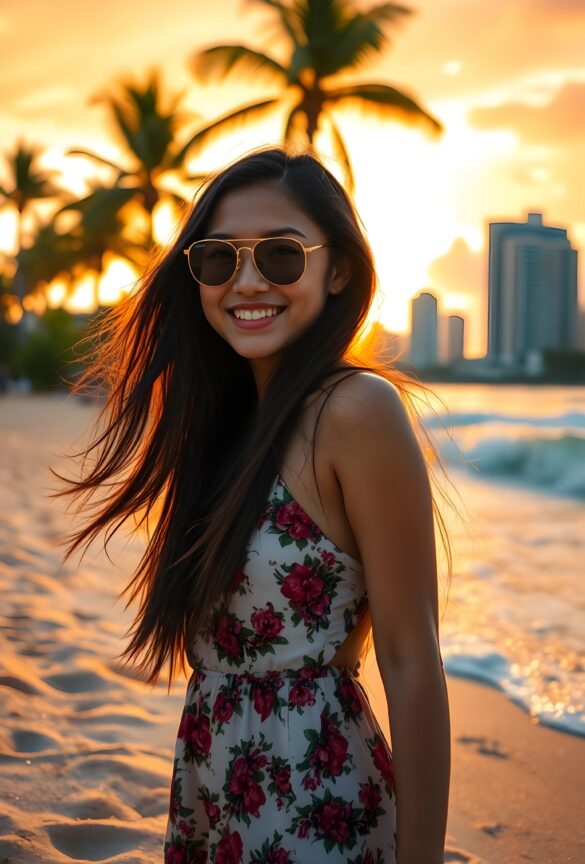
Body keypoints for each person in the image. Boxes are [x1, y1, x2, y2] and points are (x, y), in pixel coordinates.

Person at [56, 147, 452, 864]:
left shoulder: (356, 409)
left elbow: (409, 651)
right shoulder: (227, 425)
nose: (245, 281)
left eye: (278, 255)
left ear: (337, 268)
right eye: (217, 259)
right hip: (214, 781)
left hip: (313, 799)